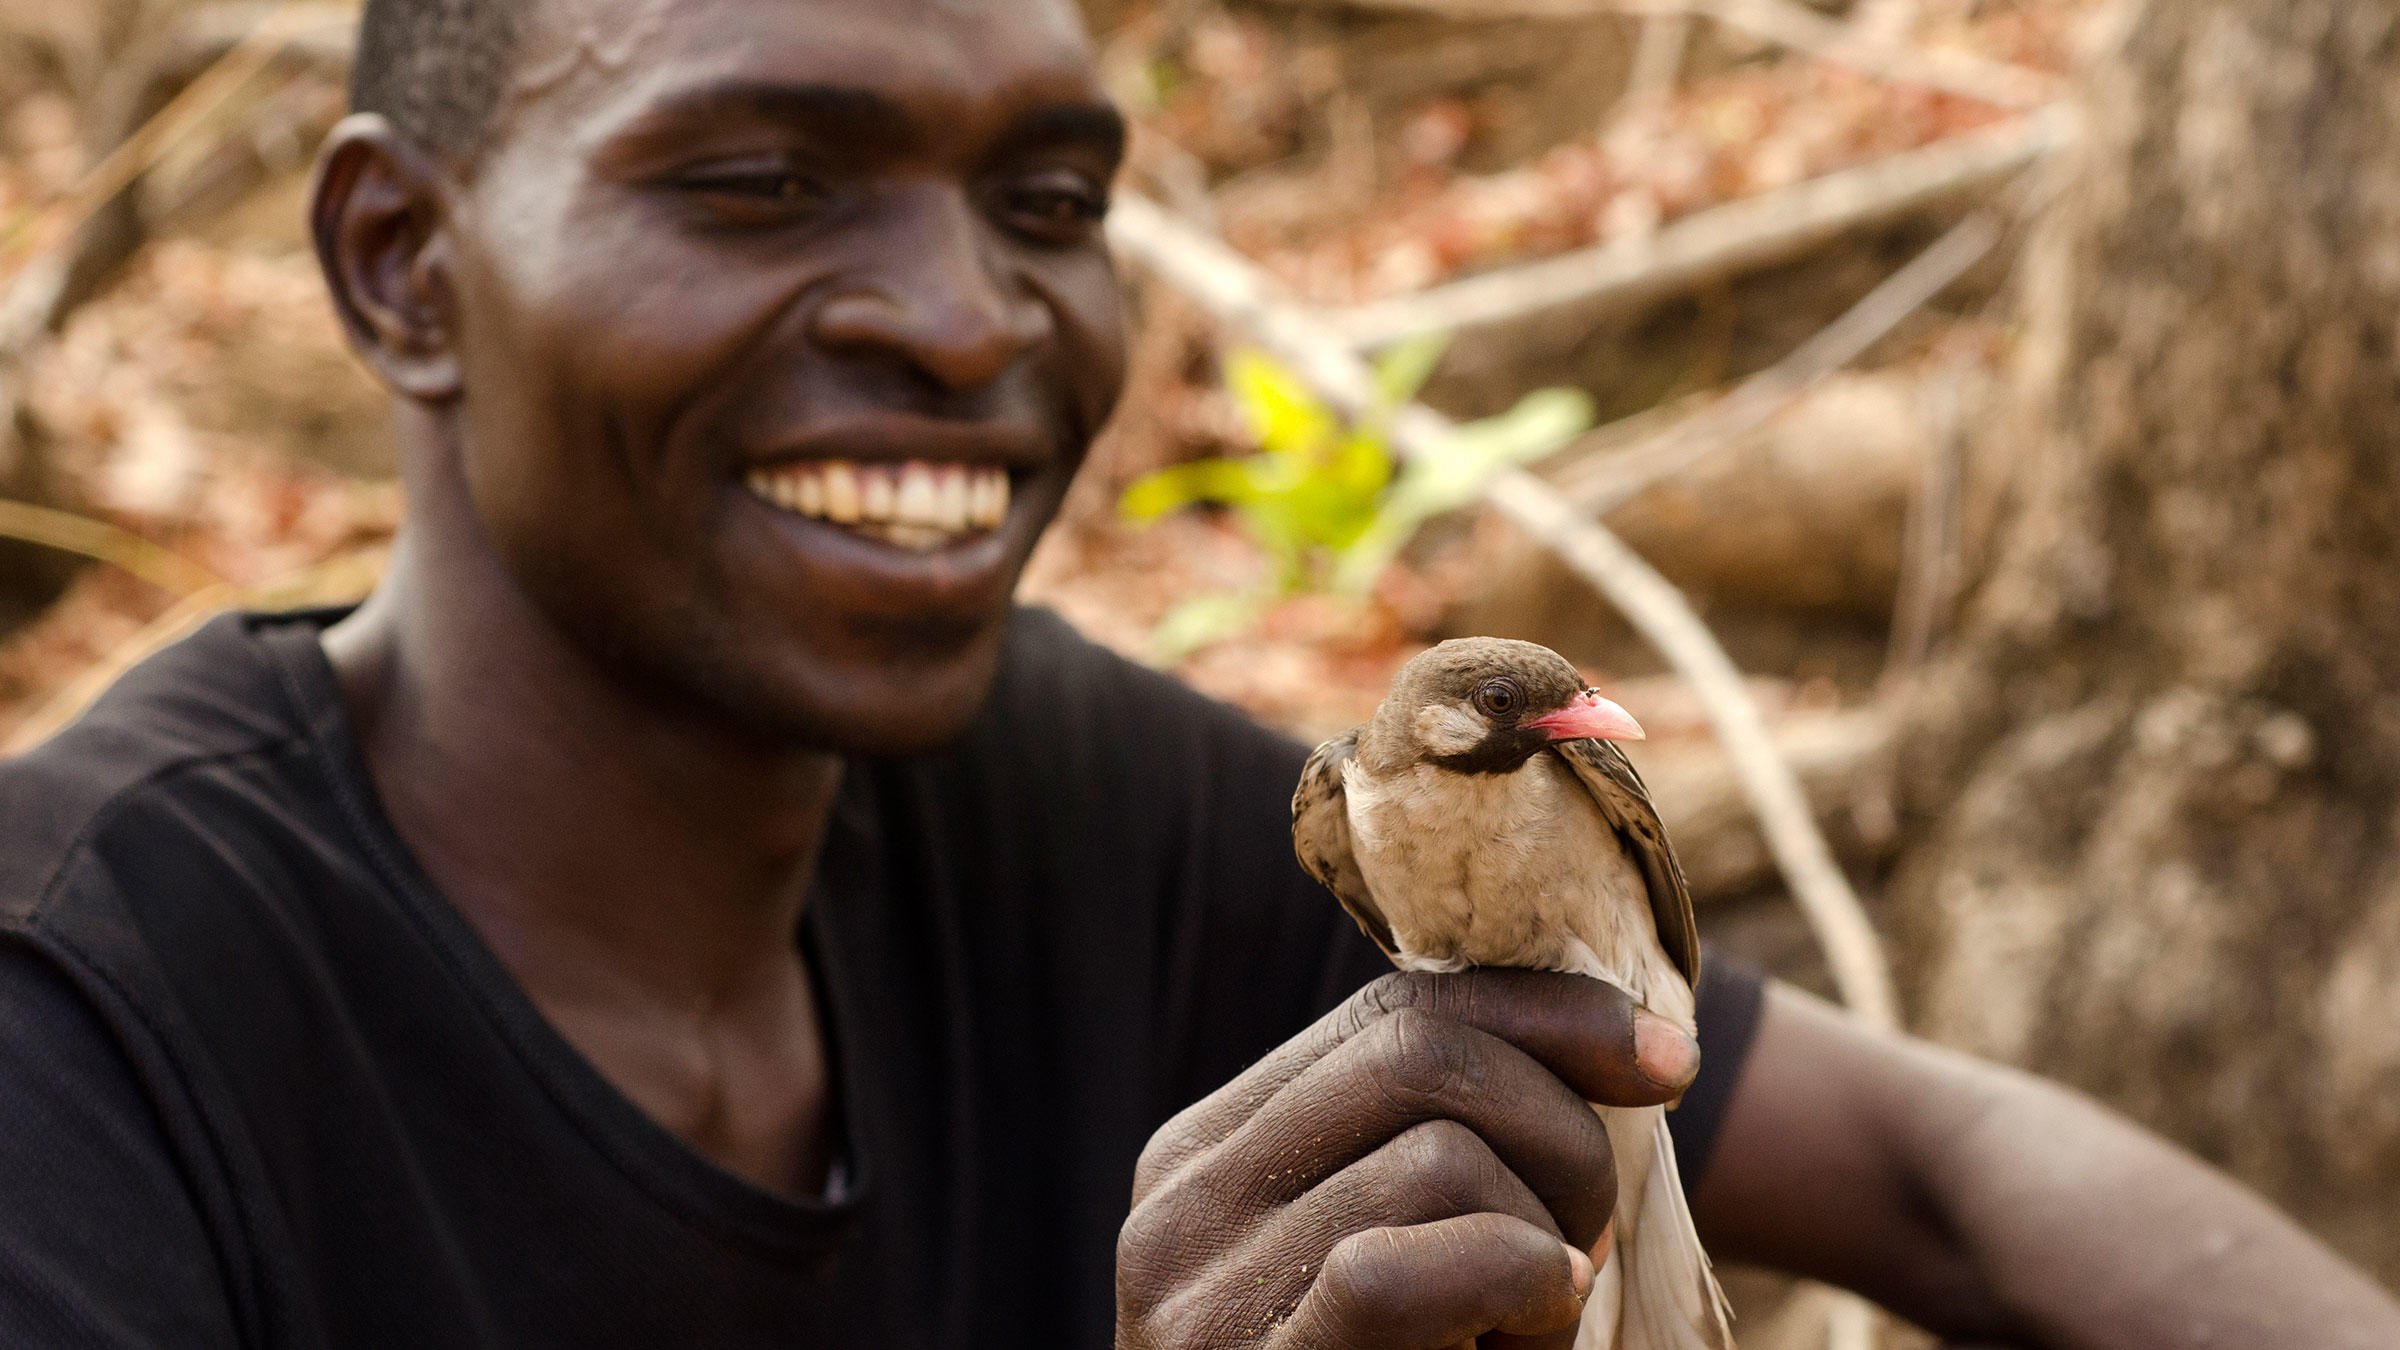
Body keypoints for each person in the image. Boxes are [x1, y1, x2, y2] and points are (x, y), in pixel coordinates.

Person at [1, 0, 2393, 1345]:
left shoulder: (1046, 791)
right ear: (400, 266)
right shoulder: (74, 1026)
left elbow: (1952, 1168)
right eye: (755, 180)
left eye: (1051, 204)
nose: (968, 319)